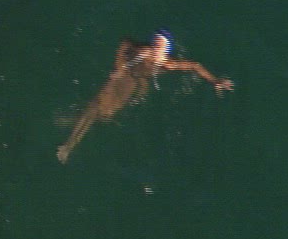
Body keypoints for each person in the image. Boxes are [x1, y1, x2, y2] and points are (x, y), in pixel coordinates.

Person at [57, 32, 234, 163]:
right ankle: (68, 145)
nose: (156, 47)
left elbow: (195, 66)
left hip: (137, 82)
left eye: (160, 45)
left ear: (167, 49)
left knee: (106, 115)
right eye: (155, 42)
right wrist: (119, 67)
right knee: (95, 106)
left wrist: (215, 81)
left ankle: (76, 120)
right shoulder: (144, 52)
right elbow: (125, 42)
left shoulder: (169, 64)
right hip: (126, 74)